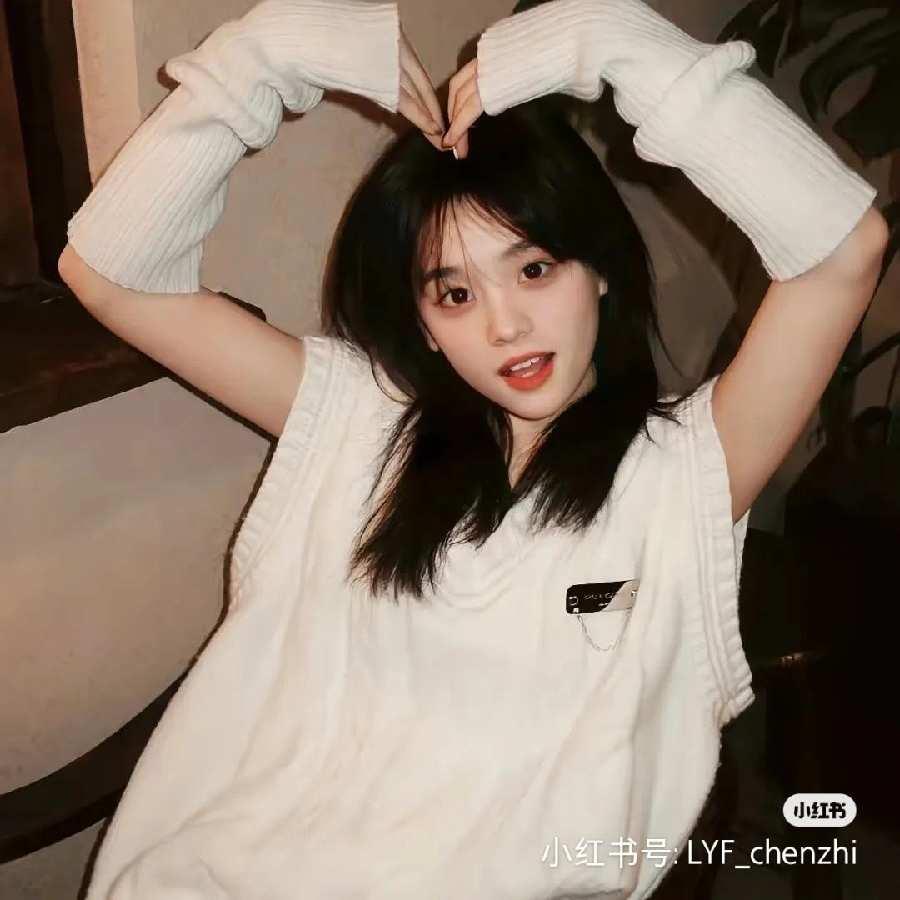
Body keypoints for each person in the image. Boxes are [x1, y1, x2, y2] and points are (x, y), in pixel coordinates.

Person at [58, 0, 886, 897]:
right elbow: (108, 276)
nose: (504, 326)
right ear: (423, 321)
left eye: (534, 269)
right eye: (454, 294)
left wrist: (609, 39)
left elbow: (842, 253)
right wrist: (265, 57)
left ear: (599, 270)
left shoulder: (683, 472)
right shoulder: (359, 423)